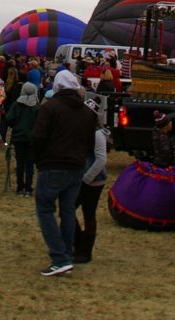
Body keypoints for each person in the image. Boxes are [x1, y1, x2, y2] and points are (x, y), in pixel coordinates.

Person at [31, 70, 96, 277]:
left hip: (52, 166)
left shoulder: (50, 108)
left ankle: (59, 258)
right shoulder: (88, 113)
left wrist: (38, 161)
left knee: (45, 209)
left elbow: (38, 137)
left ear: (56, 87)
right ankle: (66, 255)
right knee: (67, 211)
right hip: (76, 167)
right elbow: (90, 144)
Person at [73, 97, 109, 263]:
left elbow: (101, 160)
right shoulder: (82, 129)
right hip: (82, 178)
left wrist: (86, 179)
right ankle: (79, 244)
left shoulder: (97, 134)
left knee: (88, 213)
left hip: (93, 181)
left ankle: (85, 251)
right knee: (67, 209)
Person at [5, 80, 40, 196]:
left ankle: (20, 187)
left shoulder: (17, 104)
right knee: (30, 164)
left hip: (18, 137)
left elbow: (9, 118)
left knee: (20, 163)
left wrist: (15, 124)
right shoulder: (36, 106)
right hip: (31, 138)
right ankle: (28, 188)